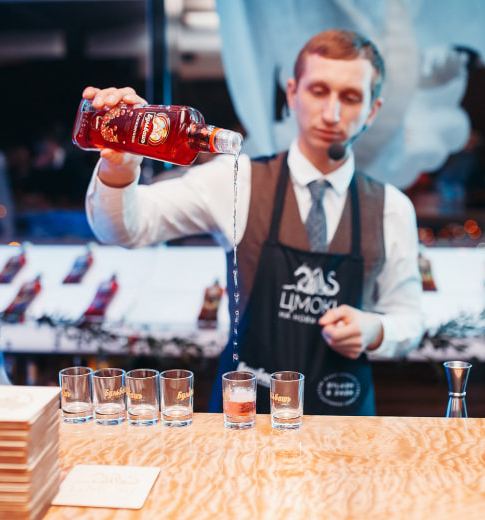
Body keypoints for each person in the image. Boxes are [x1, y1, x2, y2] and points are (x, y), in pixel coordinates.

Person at [83, 29, 424, 415]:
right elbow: (126, 228)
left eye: (350, 98)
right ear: (292, 93)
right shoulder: (236, 181)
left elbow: (410, 319)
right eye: (318, 91)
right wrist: (119, 166)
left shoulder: (391, 208)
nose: (331, 113)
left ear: (372, 110)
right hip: (246, 416)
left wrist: (376, 330)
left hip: (343, 419)